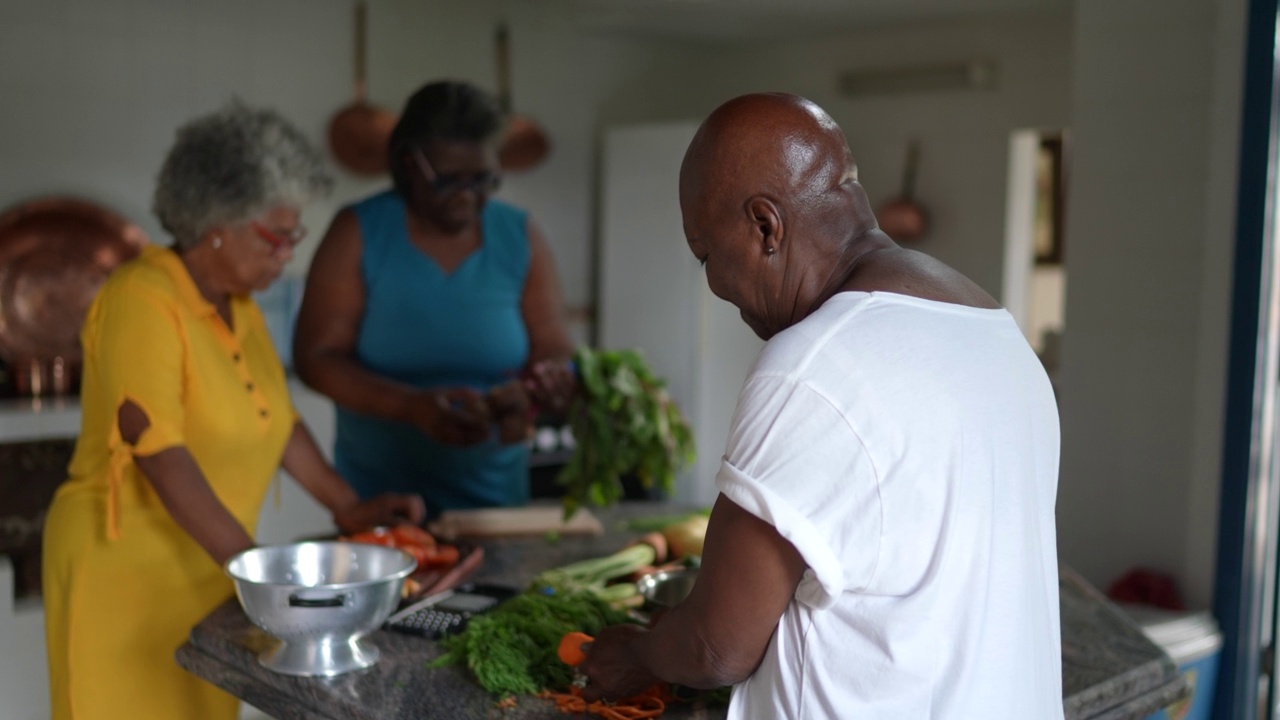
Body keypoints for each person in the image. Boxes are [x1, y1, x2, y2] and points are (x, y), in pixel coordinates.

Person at [577, 93, 1064, 719]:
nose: (711, 282)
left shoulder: (810, 367)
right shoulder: (993, 330)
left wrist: (637, 653)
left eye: (705, 254)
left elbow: (715, 646)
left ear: (764, 226)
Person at [41, 103, 426, 720]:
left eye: (293, 236)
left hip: (209, 567)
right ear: (217, 222)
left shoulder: (238, 305)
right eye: (278, 236)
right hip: (126, 575)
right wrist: (260, 573)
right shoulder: (142, 298)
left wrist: (346, 505)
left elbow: (278, 420)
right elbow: (159, 453)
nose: (287, 254)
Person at [293, 80, 576, 515]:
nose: (467, 195)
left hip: (497, 504)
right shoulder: (358, 231)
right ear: (409, 164)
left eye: (482, 179)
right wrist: (410, 407)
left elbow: (552, 342)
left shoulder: (520, 235)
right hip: (380, 501)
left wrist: (540, 385)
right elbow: (317, 358)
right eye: (447, 180)